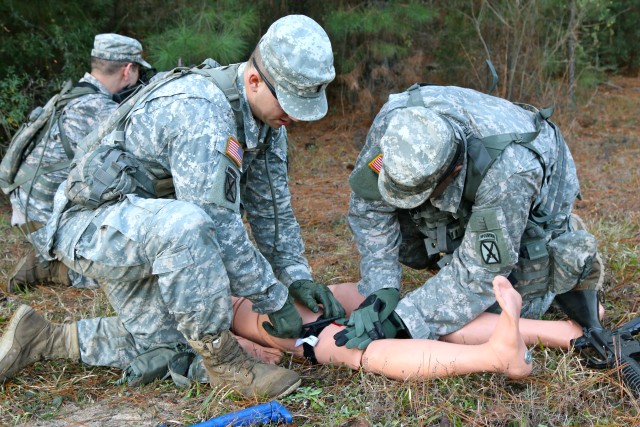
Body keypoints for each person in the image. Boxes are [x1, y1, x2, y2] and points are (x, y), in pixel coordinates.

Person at [0, 15, 344, 399]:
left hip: (148, 228)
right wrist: (273, 298)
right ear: (254, 81)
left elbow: (273, 212)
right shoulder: (202, 112)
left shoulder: (267, 123)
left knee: (166, 348)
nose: (295, 117)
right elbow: (214, 223)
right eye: (291, 103)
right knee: (191, 224)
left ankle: (44, 338)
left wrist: (296, 275)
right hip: (95, 224)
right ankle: (226, 365)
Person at [334, 84, 604, 350]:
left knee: (503, 311)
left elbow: (482, 273)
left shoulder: (511, 174)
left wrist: (404, 320)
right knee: (408, 246)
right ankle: (466, 245)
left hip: (531, 178)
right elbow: (370, 211)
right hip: (477, 177)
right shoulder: (395, 125)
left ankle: (562, 244)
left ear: (454, 172)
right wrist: (381, 288)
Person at [6, 33, 152, 292]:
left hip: (27, 203)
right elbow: (141, 163)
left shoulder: (74, 94)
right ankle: (51, 265)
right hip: (43, 217)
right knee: (131, 274)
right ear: (128, 70)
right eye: (138, 70)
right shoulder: (100, 109)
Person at [228, 276, 584, 380]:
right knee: (411, 319)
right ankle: (559, 330)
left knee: (369, 342)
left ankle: (497, 354)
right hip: (267, 299)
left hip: (256, 303)